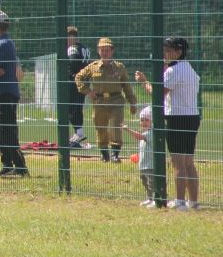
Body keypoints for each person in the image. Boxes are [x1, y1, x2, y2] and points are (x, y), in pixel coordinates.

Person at [136, 37, 201, 210]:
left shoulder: (173, 71)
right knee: (188, 162)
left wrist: (144, 82)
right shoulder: (189, 69)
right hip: (192, 116)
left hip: (177, 118)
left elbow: (158, 94)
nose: (165, 54)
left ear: (179, 52)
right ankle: (193, 202)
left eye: (169, 50)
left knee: (177, 161)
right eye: (164, 50)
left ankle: (180, 201)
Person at [74, 37, 137, 163]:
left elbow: (126, 86)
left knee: (115, 128)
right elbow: (78, 77)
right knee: (101, 129)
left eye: (107, 50)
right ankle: (104, 154)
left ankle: (115, 155)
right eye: (102, 50)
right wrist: (88, 91)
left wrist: (132, 102)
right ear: (98, 51)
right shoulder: (93, 67)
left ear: (112, 51)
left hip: (116, 101)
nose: (104, 53)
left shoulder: (119, 67)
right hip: (99, 102)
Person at [0, 10, 28, 176]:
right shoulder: (2, 43)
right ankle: (8, 163)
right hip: (0, 91)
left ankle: (18, 165)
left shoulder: (3, 44)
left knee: (6, 129)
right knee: (1, 128)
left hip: (4, 92)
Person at [123, 106, 156, 208]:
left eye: (147, 120)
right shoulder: (145, 132)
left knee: (152, 183)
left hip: (151, 165)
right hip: (143, 164)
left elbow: (139, 136)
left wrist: (127, 129)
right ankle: (149, 198)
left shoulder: (151, 133)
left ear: (152, 122)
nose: (144, 122)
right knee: (145, 182)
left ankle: (156, 199)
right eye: (142, 120)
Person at [66, 26, 92, 148]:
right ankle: (79, 132)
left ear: (71, 37)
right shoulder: (85, 48)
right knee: (77, 107)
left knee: (71, 108)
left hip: (74, 82)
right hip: (84, 82)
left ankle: (78, 133)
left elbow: (73, 63)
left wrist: (72, 75)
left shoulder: (72, 49)